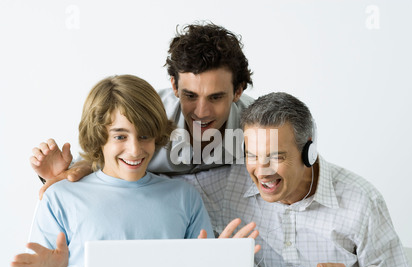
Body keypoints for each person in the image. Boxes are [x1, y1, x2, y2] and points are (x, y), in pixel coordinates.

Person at [10, 75, 258, 267]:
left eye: (144, 136)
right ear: (99, 136)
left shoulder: (184, 198)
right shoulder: (59, 199)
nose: (135, 150)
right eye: (120, 136)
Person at [179, 92, 412, 267]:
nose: (262, 172)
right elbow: (156, 184)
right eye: (252, 156)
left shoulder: (361, 200)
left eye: (276, 157)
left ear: (308, 152)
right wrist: (205, 265)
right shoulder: (227, 185)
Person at [31, 22, 254, 199]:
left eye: (216, 97)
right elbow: (93, 157)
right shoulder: (146, 113)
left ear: (237, 91)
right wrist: (67, 171)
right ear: (175, 86)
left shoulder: (258, 124)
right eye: (190, 96)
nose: (202, 112)